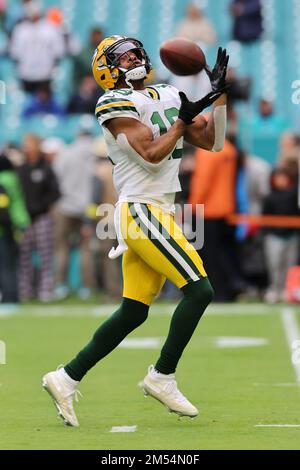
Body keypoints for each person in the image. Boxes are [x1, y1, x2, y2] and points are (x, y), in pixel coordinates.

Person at [42, 35, 229, 426]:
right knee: (200, 290)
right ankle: (162, 375)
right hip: (139, 209)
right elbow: (150, 155)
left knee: (133, 312)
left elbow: (213, 141)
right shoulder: (112, 102)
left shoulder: (168, 92)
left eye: (135, 51)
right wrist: (181, 120)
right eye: (123, 56)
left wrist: (220, 97)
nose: (135, 57)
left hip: (160, 208)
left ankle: (65, 376)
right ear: (106, 69)